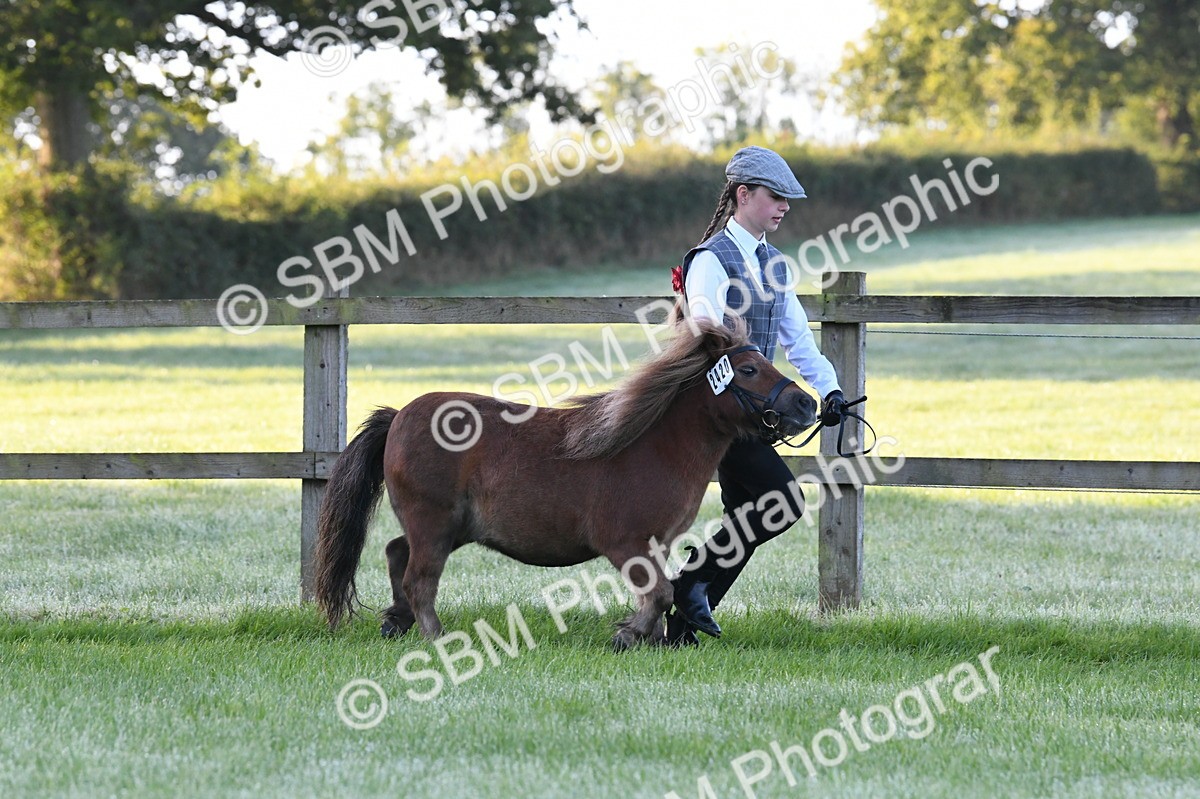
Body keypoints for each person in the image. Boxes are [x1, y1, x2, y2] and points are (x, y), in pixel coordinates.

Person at [667, 145, 847, 646]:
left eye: (788, 199)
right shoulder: (711, 259)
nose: (784, 206)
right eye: (775, 196)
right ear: (743, 195)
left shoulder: (775, 264)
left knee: (746, 516)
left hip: (750, 414)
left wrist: (830, 389)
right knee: (781, 504)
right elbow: (706, 333)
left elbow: (798, 340)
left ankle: (679, 629)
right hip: (713, 412)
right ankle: (685, 585)